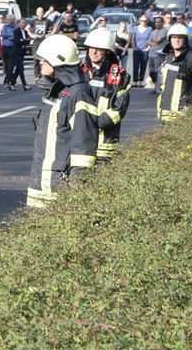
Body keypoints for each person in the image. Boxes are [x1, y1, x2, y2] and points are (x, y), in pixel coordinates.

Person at [26, 35, 98, 208]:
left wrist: (76, 183)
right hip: (43, 181)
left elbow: (84, 146)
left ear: (58, 61)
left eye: (45, 59)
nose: (41, 63)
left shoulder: (78, 94)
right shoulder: (58, 91)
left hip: (61, 184)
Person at [82, 29, 131, 161]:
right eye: (91, 48)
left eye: (99, 49)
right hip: (80, 140)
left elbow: (119, 108)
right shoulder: (80, 72)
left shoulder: (119, 76)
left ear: (107, 51)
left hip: (105, 142)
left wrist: (95, 123)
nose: (94, 52)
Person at [157, 23, 192, 122]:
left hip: (183, 115)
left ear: (186, 40)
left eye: (180, 37)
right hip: (165, 113)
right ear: (169, 39)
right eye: (174, 37)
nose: (177, 40)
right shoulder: (168, 58)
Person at [145, 15, 168, 91]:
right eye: (156, 22)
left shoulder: (165, 31)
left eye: (159, 22)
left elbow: (158, 40)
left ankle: (158, 88)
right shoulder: (153, 32)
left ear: (162, 22)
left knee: (157, 72)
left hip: (159, 55)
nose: (157, 24)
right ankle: (155, 87)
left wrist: (153, 42)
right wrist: (153, 43)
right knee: (151, 73)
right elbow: (148, 42)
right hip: (151, 54)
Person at [30, 7, 51, 83]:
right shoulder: (34, 21)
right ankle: (37, 75)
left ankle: (46, 74)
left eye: (41, 12)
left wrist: (50, 34)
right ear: (36, 13)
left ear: (43, 13)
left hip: (44, 42)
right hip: (36, 42)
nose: (40, 14)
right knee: (36, 59)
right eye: (39, 12)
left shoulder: (47, 21)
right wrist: (32, 35)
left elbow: (55, 27)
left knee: (45, 59)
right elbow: (27, 28)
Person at [0, 14, 20, 90]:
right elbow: (2, 34)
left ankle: (6, 81)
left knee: (11, 65)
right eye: (6, 19)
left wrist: (8, 35)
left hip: (12, 48)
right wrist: (10, 35)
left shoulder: (16, 27)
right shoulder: (5, 26)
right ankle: (11, 80)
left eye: (8, 19)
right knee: (6, 65)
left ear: (12, 20)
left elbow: (15, 37)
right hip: (4, 48)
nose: (7, 21)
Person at [131, 15, 152, 87]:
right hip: (137, 50)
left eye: (145, 21)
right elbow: (133, 38)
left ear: (147, 21)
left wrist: (148, 48)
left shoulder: (149, 29)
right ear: (139, 21)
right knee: (136, 66)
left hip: (145, 50)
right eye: (142, 21)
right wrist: (133, 47)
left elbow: (151, 39)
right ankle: (135, 81)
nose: (143, 22)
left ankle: (140, 81)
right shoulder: (135, 28)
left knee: (143, 66)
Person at [14, 18, 33, 90]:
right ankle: (24, 84)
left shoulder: (25, 32)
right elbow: (17, 41)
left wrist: (23, 40)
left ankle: (12, 83)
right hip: (16, 51)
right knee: (21, 68)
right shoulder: (16, 31)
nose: (24, 24)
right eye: (22, 22)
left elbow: (28, 41)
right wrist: (23, 40)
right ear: (19, 23)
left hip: (22, 51)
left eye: (25, 23)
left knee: (18, 69)